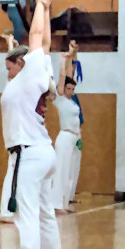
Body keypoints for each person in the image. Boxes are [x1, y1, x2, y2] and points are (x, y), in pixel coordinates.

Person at [0, 0, 61, 249]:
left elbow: (37, 38)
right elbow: (46, 40)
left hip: (30, 153)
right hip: (42, 152)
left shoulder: (32, 72)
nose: (7, 67)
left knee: (26, 213)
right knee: (44, 210)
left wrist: (39, 4)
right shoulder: (41, 70)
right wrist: (47, 11)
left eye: (10, 63)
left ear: (21, 62)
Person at [52, 40, 82, 215]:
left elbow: (71, 74)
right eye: (68, 88)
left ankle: (63, 203)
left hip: (73, 137)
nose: (70, 91)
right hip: (64, 137)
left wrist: (73, 54)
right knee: (61, 171)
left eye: (72, 89)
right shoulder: (60, 99)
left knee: (70, 172)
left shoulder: (72, 102)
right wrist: (64, 59)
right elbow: (64, 76)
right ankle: (55, 203)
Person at [0, 34, 18, 224]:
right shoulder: (10, 86)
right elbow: (11, 64)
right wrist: (10, 44)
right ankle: (5, 211)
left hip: (19, 136)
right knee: (12, 172)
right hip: (14, 137)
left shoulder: (18, 86)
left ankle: (13, 208)